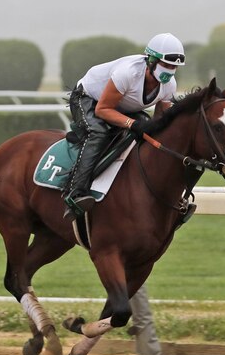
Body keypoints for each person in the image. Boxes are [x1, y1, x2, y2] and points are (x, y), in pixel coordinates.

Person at [63, 32, 186, 221]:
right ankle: (75, 193)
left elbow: (162, 122)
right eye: (166, 64)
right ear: (151, 60)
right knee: (99, 132)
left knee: (145, 128)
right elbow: (103, 110)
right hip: (88, 99)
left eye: (174, 67)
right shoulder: (128, 73)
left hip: (119, 105)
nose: (170, 71)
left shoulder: (169, 85)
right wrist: (132, 123)